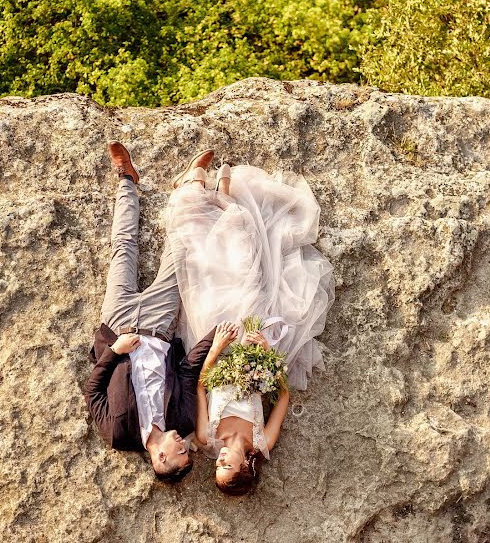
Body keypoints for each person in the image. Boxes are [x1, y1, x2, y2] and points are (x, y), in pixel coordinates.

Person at [163, 161, 335, 494]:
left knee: (210, 275)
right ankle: (226, 201)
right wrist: (268, 355)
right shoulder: (262, 442)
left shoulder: (205, 437)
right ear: (245, 466)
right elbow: (282, 397)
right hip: (253, 349)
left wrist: (215, 347)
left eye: (217, 466)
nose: (219, 459)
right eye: (226, 466)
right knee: (250, 278)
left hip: (218, 344)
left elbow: (200, 387)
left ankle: (204, 197)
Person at [84, 142, 218, 483]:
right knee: (180, 252)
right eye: (188, 450)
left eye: (181, 453)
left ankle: (127, 180)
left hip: (118, 324)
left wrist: (114, 352)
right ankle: (188, 189)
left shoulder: (118, 433)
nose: (185, 445)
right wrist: (216, 334)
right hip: (160, 325)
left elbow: (93, 391)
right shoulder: (183, 420)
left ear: (161, 458)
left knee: (123, 248)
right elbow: (188, 372)